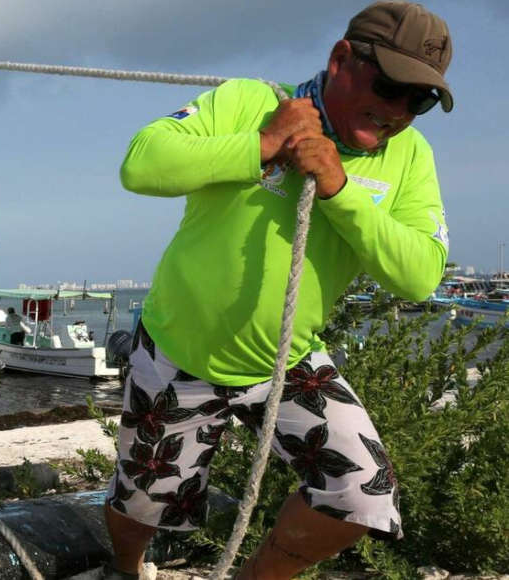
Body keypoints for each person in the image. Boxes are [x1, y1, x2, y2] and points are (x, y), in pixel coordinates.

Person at [104, 2, 451, 578]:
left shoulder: (409, 157)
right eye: (390, 86)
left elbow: (418, 275)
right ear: (342, 58)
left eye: (418, 102)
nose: (397, 111)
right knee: (142, 505)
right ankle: (126, 568)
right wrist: (261, 144)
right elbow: (141, 165)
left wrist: (340, 189)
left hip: (287, 360)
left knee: (363, 492)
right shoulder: (248, 100)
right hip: (178, 352)